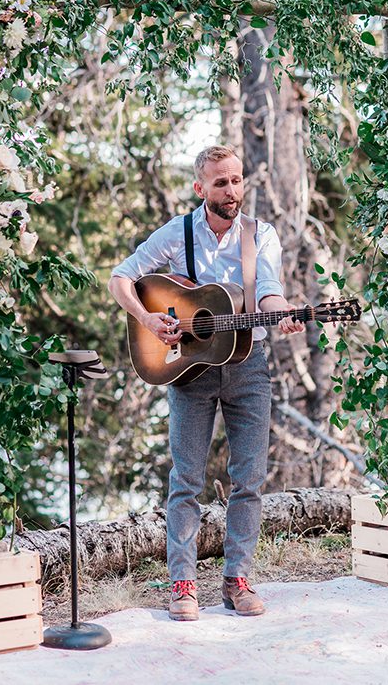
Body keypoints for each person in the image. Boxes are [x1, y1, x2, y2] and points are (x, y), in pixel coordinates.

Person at [108, 144, 305, 621]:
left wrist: (285, 315)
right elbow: (121, 277)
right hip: (189, 369)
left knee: (249, 479)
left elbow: (268, 292)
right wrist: (149, 318)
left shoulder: (261, 235)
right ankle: (182, 584)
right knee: (186, 480)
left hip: (248, 366)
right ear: (201, 188)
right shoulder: (179, 232)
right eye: (221, 182)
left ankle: (237, 580)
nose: (232, 190)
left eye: (236, 180)